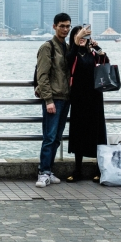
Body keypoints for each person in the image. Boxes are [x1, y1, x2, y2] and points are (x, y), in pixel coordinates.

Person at [65, 25, 108, 183]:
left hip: (95, 98)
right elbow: (68, 62)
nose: (82, 37)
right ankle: (77, 170)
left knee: (97, 133)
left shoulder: (93, 53)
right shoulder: (73, 52)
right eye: (78, 34)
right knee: (78, 133)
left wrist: (97, 48)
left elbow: (105, 63)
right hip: (78, 99)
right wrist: (77, 43)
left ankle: (99, 169)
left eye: (85, 35)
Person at [34, 13, 72, 188]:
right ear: (54, 26)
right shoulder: (47, 47)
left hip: (66, 98)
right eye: (62, 26)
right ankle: (43, 172)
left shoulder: (68, 48)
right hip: (53, 99)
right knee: (49, 137)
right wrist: (48, 100)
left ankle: (49, 170)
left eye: (68, 26)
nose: (65, 29)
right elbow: (42, 76)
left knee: (57, 137)